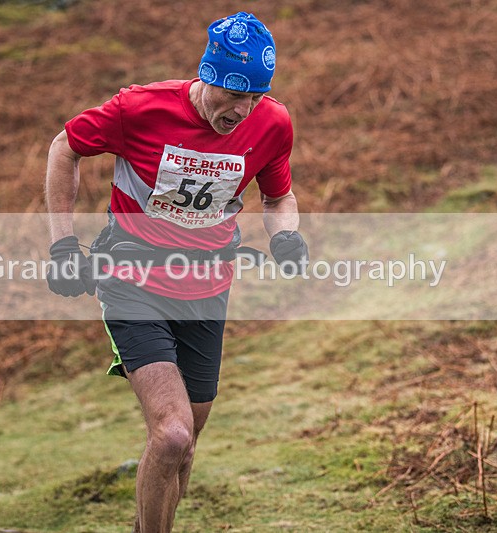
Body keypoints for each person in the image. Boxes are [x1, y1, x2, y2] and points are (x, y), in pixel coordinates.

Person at [44, 11, 308, 532]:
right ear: (207, 75)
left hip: (207, 289)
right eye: (233, 95)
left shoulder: (272, 123)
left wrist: (286, 234)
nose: (242, 110)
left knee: (183, 450)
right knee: (171, 435)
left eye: (254, 97)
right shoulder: (139, 109)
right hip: (131, 281)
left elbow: (278, 196)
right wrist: (62, 246)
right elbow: (64, 148)